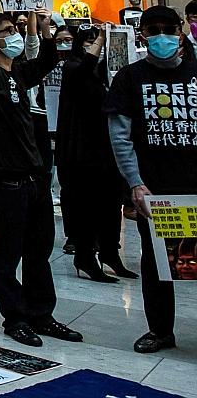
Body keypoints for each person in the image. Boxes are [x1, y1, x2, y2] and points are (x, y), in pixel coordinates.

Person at [0, 0, 82, 348]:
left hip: (35, 179)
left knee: (39, 251)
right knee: (7, 253)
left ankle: (41, 313)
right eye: (8, 31)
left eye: (15, 28)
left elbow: (47, 61)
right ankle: (14, 316)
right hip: (7, 181)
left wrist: (45, 27)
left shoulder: (18, 73)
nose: (14, 35)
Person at [107, 4, 197, 354]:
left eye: (168, 29)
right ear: (142, 34)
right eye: (153, 29)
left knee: (192, 258)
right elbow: (120, 135)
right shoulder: (130, 77)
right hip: (155, 190)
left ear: (181, 31)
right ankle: (160, 330)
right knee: (158, 262)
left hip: (194, 185)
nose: (162, 36)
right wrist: (135, 182)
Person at [55, 23, 132, 283]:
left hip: (107, 148)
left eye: (96, 41)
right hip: (82, 150)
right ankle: (85, 256)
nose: (94, 46)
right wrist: (100, 38)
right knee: (86, 205)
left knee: (112, 203)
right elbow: (85, 66)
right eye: (88, 41)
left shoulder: (107, 74)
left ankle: (110, 252)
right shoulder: (73, 67)